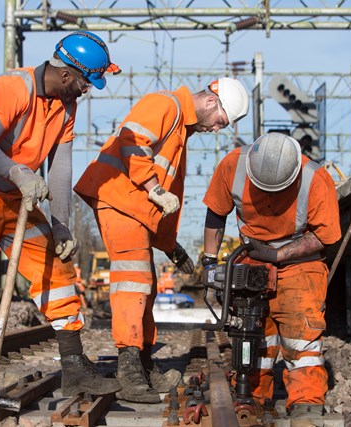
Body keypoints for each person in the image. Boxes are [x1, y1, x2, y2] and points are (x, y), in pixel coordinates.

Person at [0, 31, 122, 398]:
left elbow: (60, 166)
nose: (86, 90)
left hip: (17, 197)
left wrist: (61, 225)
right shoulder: (11, 87)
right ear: (67, 75)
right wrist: (17, 172)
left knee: (56, 269)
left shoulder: (66, 106)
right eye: (85, 82)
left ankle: (74, 367)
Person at [74, 77, 251, 403]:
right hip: (118, 200)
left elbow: (162, 202)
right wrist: (154, 187)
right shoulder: (165, 103)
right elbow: (132, 141)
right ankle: (128, 371)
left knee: (147, 285)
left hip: (131, 206)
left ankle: (141, 363)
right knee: (133, 281)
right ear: (212, 103)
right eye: (221, 122)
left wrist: (171, 247)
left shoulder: (180, 131)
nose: (216, 129)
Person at [200, 132, 341, 426]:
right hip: (252, 257)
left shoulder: (316, 179)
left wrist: (278, 255)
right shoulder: (233, 166)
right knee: (253, 333)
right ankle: (253, 395)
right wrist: (210, 262)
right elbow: (216, 212)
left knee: (300, 337)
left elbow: (325, 236)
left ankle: (306, 403)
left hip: (300, 264)